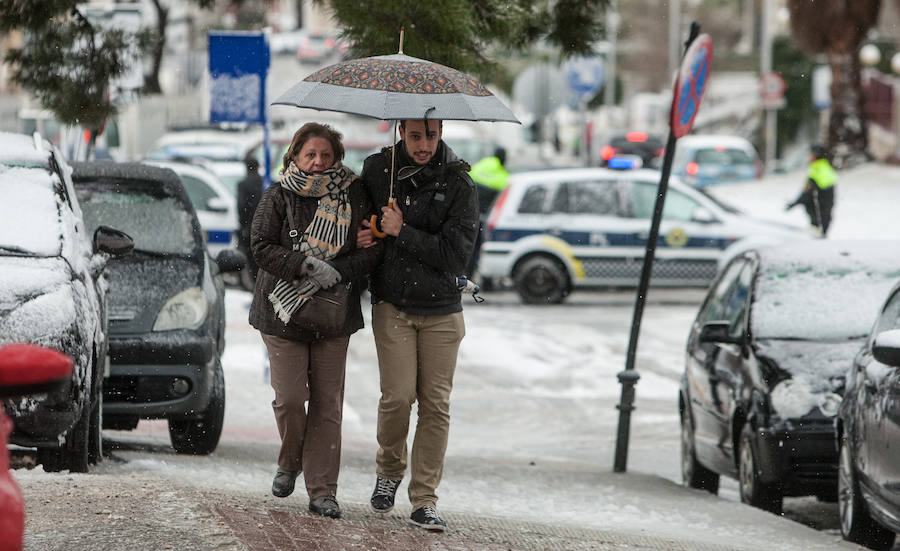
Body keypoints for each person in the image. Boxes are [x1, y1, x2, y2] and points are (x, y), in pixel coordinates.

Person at [248, 122, 381, 519]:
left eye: (326, 155)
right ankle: (290, 460)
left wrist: (339, 270)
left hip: (333, 313)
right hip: (282, 311)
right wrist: (302, 263)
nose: (318, 162)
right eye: (311, 155)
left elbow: (373, 250)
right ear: (295, 156)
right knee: (290, 399)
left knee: (328, 404)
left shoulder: (355, 195)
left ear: (337, 158)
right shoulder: (278, 195)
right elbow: (259, 246)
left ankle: (323, 491)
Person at [359, 118, 479, 531]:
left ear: (441, 130)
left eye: (430, 135)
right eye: (414, 136)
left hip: (443, 310)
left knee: (435, 405)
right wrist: (372, 229)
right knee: (396, 397)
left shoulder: (459, 184)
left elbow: (455, 256)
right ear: (400, 133)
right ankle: (389, 470)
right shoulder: (378, 171)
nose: (423, 145)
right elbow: (362, 222)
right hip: (394, 303)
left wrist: (401, 230)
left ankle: (424, 498)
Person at [467, 147, 509, 277]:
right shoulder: (503, 176)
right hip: (484, 218)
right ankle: (483, 277)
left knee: (468, 246)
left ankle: (465, 274)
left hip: (468, 212)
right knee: (480, 247)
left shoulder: (481, 164)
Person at [786, 144, 837, 236]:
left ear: (816, 155)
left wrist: (794, 203)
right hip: (825, 214)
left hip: (818, 215)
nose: (809, 157)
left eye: (811, 154)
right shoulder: (826, 167)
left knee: (816, 240)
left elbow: (807, 193)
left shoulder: (816, 169)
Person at [237, 154, 263, 286]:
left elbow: (242, 207)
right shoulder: (266, 182)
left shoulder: (243, 185)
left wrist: (243, 226)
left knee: (252, 261)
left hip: (250, 228)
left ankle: (255, 286)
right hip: (266, 227)